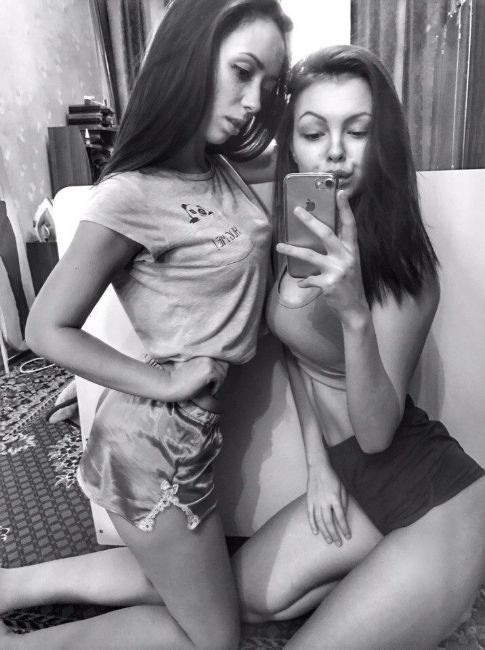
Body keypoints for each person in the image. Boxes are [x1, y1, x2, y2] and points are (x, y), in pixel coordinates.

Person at [1, 1, 289, 648]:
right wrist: (161, 382)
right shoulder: (130, 194)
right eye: (241, 71)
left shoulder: (214, 167)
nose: (252, 102)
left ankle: (13, 588)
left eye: (266, 84)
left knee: (181, 584)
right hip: (153, 448)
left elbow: (289, 159)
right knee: (213, 639)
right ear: (189, 57)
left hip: (186, 437)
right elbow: (46, 328)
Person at [231, 44, 485, 648]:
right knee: (243, 597)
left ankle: (440, 583)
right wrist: (319, 466)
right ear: (293, 144)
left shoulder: (406, 269)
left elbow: (376, 434)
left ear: (382, 141)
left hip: (434, 500)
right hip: (355, 483)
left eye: (358, 130)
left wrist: (353, 313)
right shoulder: (298, 237)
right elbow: (296, 357)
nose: (336, 152)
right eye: (314, 132)